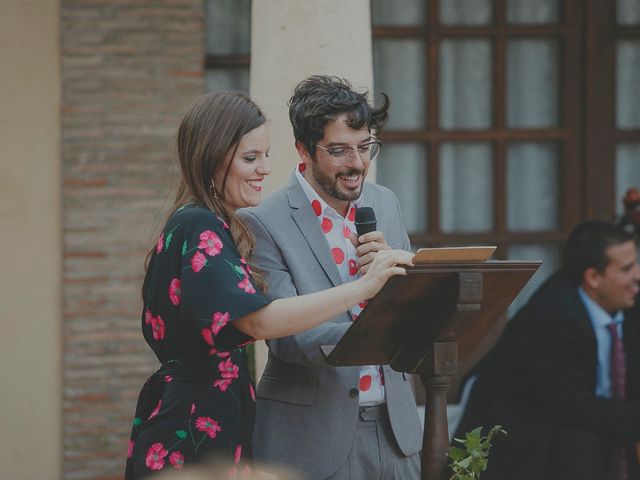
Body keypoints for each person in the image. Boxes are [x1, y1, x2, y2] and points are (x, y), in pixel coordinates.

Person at [124, 91, 413, 479]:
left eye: (264, 156)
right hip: (195, 424)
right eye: (249, 158)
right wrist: (364, 287)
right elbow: (259, 322)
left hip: (218, 416)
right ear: (211, 158)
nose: (263, 169)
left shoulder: (213, 225)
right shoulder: (199, 225)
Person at [240, 75, 423, 479]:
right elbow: (290, 340)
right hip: (310, 440)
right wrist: (380, 327)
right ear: (303, 150)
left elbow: (414, 308)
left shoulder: (384, 202)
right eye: (339, 151)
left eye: (364, 148)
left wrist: (399, 284)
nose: (356, 163)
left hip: (397, 432)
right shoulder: (261, 223)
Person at [454, 220, 640, 480]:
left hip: (585, 421)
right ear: (593, 277)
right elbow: (572, 405)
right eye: (627, 268)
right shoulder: (551, 316)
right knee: (581, 442)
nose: (637, 276)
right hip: (521, 433)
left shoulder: (629, 301)